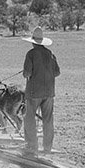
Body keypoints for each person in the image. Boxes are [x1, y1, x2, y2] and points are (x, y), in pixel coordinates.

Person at [20, 26, 60, 157]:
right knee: (48, 119)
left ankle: (32, 147)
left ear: (32, 42)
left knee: (29, 118)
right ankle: (47, 147)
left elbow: (27, 73)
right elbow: (57, 72)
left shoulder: (30, 54)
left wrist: (28, 73)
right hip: (49, 92)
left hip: (33, 93)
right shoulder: (50, 54)